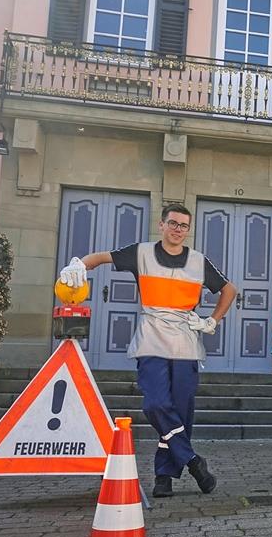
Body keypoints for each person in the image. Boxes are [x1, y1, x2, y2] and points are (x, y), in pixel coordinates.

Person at [59, 203, 237, 498]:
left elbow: (230, 289)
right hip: (151, 339)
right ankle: (193, 462)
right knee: (155, 405)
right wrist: (79, 264)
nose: (178, 230)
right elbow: (100, 257)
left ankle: (164, 476)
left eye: (184, 226)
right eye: (173, 223)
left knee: (180, 413)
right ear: (162, 224)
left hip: (185, 341)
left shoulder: (197, 261)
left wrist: (211, 321)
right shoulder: (140, 253)